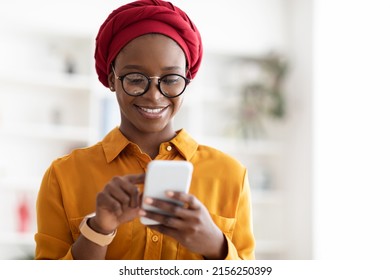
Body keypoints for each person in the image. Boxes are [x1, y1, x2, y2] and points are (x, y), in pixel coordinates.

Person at [35, 0, 255, 260]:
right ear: (111, 79)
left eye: (171, 79)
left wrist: (216, 246)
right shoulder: (63, 176)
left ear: (187, 78)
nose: (154, 96)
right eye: (136, 79)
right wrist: (98, 230)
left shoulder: (230, 175)